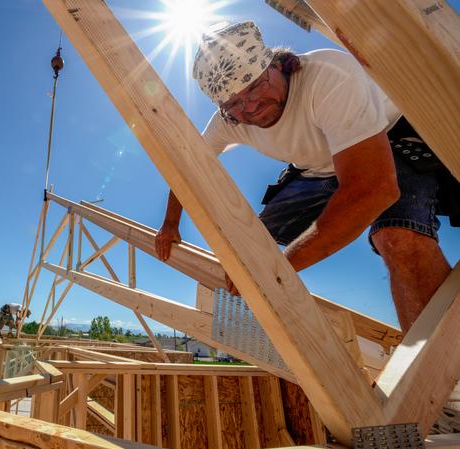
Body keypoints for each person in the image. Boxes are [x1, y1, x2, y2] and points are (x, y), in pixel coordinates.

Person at [155, 21, 456, 334]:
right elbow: (188, 169)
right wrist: (170, 224)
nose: (252, 107)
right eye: (234, 104)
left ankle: (445, 366)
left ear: (274, 65)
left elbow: (373, 189)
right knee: (253, 248)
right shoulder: (228, 122)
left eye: (256, 85)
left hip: (386, 140)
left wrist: (278, 270)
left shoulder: (326, 77)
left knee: (398, 238)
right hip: (317, 170)